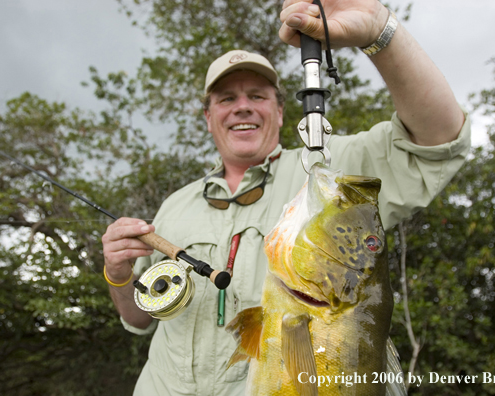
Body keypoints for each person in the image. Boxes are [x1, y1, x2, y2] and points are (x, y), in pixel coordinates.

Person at [101, 0, 471, 394]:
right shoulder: (174, 204)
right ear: (208, 117)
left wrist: (380, 30)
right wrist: (118, 275)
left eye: (258, 96)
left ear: (280, 112)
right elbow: (138, 319)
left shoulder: (329, 170)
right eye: (226, 98)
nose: (242, 106)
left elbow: (439, 138)